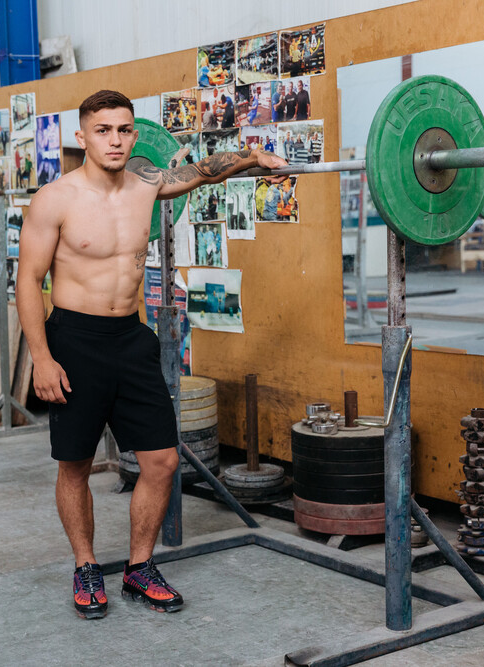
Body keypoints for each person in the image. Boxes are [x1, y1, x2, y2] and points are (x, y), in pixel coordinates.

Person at [16, 90, 286, 621]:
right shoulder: (55, 199)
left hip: (131, 338)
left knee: (161, 460)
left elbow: (204, 171)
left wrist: (255, 157)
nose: (115, 140)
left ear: (135, 135)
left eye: (123, 130)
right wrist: (42, 359)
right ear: (83, 137)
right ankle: (86, 567)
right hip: (74, 340)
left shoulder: (147, 184)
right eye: (103, 130)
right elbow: (28, 281)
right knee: (75, 464)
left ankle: (139, 568)